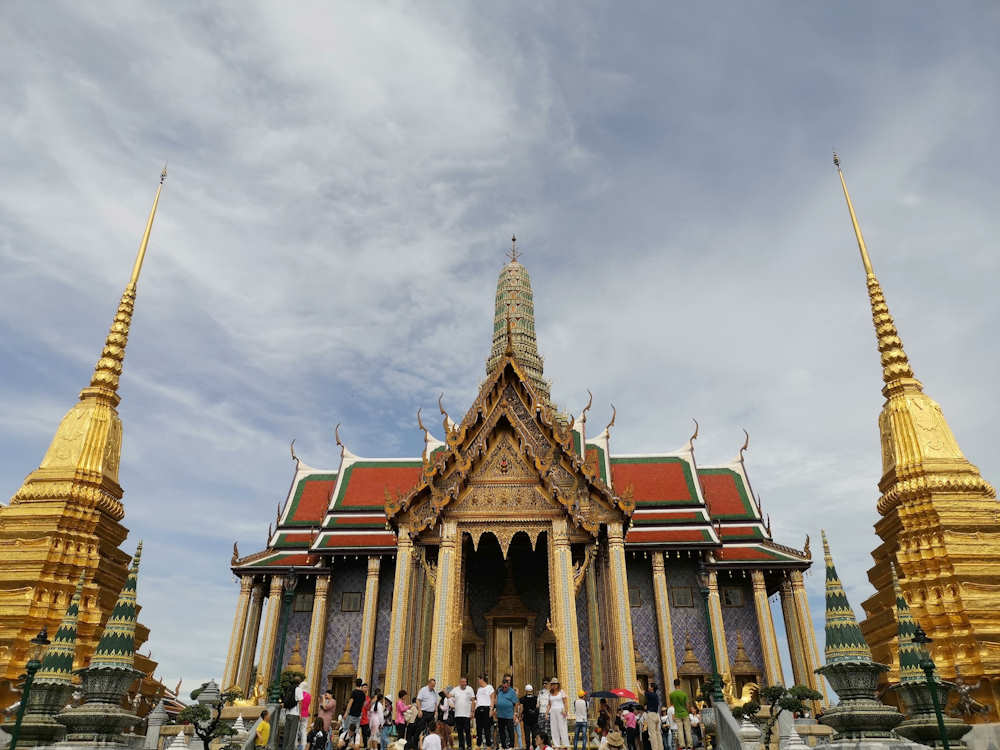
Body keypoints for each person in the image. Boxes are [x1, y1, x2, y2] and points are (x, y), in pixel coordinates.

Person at [451, 678, 475, 750]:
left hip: (467, 714)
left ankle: (469, 745)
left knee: (467, 730)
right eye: (462, 682)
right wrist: (445, 692)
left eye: (465, 682)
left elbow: (473, 701)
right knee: (459, 731)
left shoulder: (470, 689)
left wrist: (472, 711)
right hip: (458, 714)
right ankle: (461, 746)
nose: (464, 683)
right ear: (460, 682)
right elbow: (449, 696)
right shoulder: (455, 689)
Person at [495, 676, 518, 750]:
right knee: (501, 731)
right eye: (503, 686)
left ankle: (511, 746)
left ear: (508, 685)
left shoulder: (512, 692)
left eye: (505, 687)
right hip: (500, 715)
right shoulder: (499, 691)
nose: (504, 688)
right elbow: (497, 701)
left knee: (510, 731)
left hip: (509, 715)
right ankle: (503, 745)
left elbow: (516, 703)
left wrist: (515, 714)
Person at [667, 681, 691, 750]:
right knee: (687, 730)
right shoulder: (684, 694)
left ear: (674, 685)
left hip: (677, 714)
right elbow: (687, 705)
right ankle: (689, 746)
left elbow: (672, 704)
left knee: (680, 731)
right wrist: (687, 711)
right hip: (685, 713)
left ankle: (682, 746)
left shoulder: (671, 694)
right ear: (679, 684)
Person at [474, 674, 495, 750]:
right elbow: (477, 701)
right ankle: (478, 744)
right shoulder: (479, 689)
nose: (478, 681)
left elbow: (492, 698)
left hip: (486, 709)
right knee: (478, 728)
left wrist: (491, 709)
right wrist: (474, 711)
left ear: (482, 679)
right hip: (478, 709)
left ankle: (488, 745)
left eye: (478, 680)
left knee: (487, 728)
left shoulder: (489, 687)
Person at [545, 678, 568, 750]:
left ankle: (565, 745)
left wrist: (566, 711)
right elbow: (549, 704)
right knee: (554, 728)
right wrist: (546, 713)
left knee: (562, 728)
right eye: (553, 684)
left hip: (561, 712)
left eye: (555, 684)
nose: (554, 685)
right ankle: (556, 745)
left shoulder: (561, 692)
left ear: (558, 685)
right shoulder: (550, 693)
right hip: (553, 712)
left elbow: (565, 702)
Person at [283, 675, 304, 750]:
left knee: (286, 733)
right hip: (295, 714)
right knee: (292, 735)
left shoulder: (289, 688)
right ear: (299, 682)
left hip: (288, 713)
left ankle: (284, 748)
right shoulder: (298, 689)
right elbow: (300, 702)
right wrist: (300, 714)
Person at [344, 679, 367, 743]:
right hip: (358, 715)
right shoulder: (363, 694)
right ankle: (354, 743)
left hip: (352, 714)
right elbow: (363, 704)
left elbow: (350, 703)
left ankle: (347, 744)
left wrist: (346, 712)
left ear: (355, 683)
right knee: (356, 731)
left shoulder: (354, 692)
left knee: (348, 730)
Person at [642, 684, 661, 750]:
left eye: (649, 686)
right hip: (656, 715)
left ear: (652, 688)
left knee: (652, 734)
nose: (648, 687)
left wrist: (638, 685)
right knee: (658, 733)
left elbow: (641, 692)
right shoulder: (656, 695)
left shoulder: (650, 694)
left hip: (651, 715)